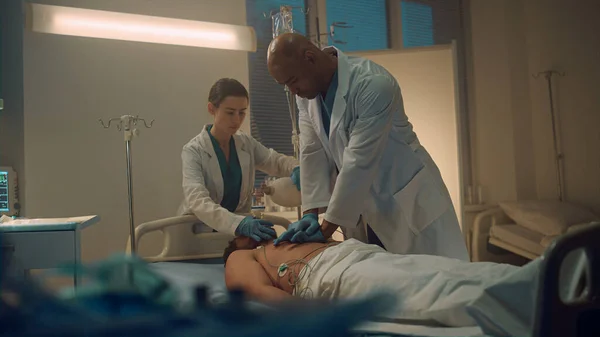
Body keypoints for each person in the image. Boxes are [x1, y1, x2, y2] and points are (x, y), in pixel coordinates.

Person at [266, 33, 468, 260]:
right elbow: (312, 152)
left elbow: (358, 163)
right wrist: (310, 214)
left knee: (439, 281)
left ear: (310, 58)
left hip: (406, 203)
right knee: (380, 282)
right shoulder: (306, 95)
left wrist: (323, 232)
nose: (292, 91)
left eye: (292, 81)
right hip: (362, 208)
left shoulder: (373, 84)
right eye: (285, 85)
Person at [222, 235, 527, 328]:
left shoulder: (280, 238)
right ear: (237, 242)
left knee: (444, 270)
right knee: (431, 287)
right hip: (332, 274)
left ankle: (529, 280)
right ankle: (531, 298)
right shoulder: (241, 256)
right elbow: (260, 292)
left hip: (358, 255)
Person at [177, 78, 300, 242]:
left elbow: (275, 161)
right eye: (230, 112)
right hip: (198, 234)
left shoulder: (245, 143)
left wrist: (297, 168)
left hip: (235, 238)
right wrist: (239, 223)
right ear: (211, 109)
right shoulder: (193, 151)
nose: (237, 120)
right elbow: (197, 201)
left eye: (242, 112)